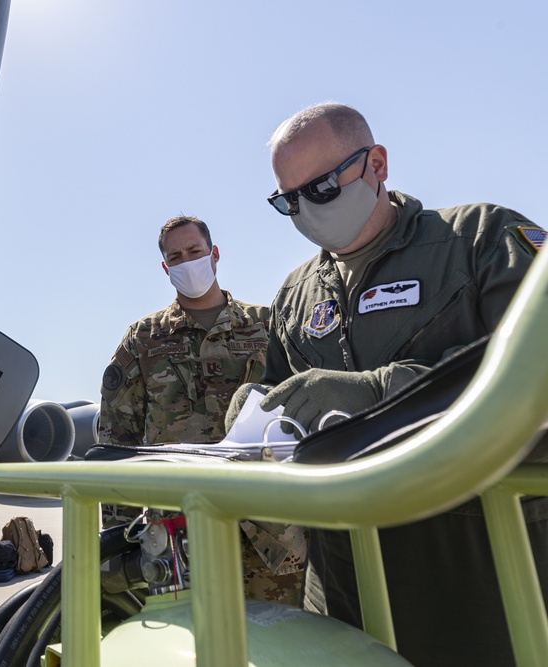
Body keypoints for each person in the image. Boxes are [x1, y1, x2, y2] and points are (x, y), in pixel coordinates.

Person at [228, 102, 547, 666]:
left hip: (486, 577)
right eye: (289, 200)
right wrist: (254, 412)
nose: (306, 210)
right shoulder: (295, 296)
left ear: (376, 164)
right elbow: (279, 391)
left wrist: (380, 394)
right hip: (343, 586)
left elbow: (535, 378)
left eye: (323, 187)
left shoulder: (481, 240)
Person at [97, 215, 306, 605]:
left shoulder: (266, 326)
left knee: (282, 638)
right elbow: (116, 436)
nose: (187, 261)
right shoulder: (144, 338)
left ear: (214, 254)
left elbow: (300, 413)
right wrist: (117, 537)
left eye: (194, 251)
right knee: (191, 642)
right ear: (166, 268)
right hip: (180, 528)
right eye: (175, 256)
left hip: (269, 527)